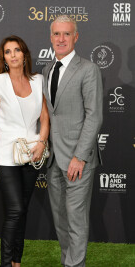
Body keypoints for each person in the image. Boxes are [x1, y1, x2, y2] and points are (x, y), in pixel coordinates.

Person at [0, 35, 50, 267]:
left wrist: (42, 142)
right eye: (8, 51)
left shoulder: (38, 80)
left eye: (17, 50)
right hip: (5, 154)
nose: (13, 55)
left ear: (24, 54)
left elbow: (44, 117)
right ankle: (6, 264)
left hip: (33, 153)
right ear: (3, 57)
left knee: (22, 209)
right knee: (15, 209)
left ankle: (17, 261)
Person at [42, 15, 103, 267]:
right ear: (51, 37)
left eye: (67, 34)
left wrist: (79, 157)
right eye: (57, 34)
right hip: (54, 159)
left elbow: (94, 116)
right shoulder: (47, 70)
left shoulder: (88, 69)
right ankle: (68, 262)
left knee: (76, 219)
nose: (61, 39)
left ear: (76, 37)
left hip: (78, 160)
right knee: (61, 220)